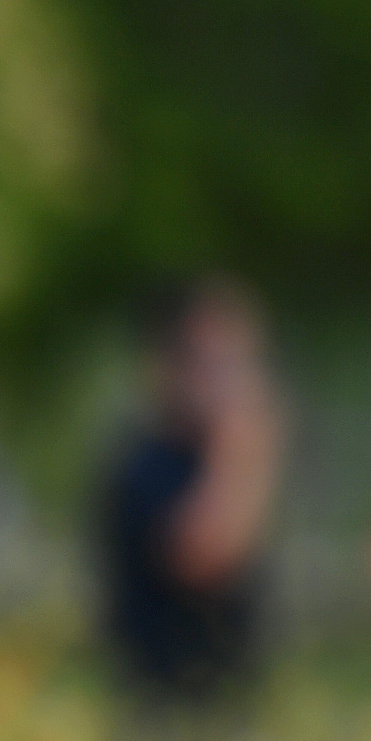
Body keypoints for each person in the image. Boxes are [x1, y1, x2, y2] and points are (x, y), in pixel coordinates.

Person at [100, 278, 284, 700]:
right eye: (217, 365)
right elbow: (203, 557)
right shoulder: (145, 465)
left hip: (230, 703)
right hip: (169, 709)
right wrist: (244, 448)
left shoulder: (209, 457)